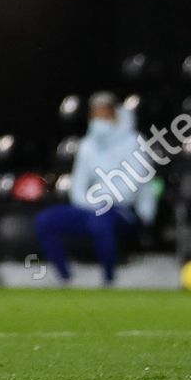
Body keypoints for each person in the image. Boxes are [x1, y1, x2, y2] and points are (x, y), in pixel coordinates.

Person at [34, 92, 155, 285]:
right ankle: (66, 279)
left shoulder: (134, 142)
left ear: (116, 114)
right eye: (95, 115)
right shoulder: (87, 145)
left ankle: (109, 280)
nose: (99, 120)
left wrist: (99, 202)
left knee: (100, 221)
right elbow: (78, 186)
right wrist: (89, 203)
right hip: (90, 208)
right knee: (45, 220)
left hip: (123, 211)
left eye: (104, 115)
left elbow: (130, 189)